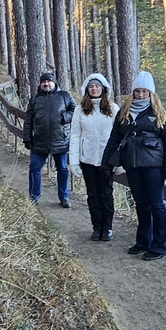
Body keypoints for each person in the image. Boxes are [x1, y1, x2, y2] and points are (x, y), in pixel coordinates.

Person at [101, 70, 166, 260]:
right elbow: (114, 138)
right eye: (138, 91)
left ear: (150, 93)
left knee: (156, 205)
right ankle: (143, 241)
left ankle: (159, 246)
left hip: (153, 166)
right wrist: (106, 162)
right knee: (141, 204)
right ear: (133, 92)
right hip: (132, 164)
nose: (141, 95)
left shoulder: (160, 112)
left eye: (144, 92)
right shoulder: (124, 112)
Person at [69, 72, 118, 240]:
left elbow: (119, 136)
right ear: (87, 90)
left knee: (106, 193)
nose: (94, 88)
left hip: (107, 159)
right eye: (91, 86)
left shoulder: (113, 108)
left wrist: (119, 162)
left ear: (103, 88)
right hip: (87, 159)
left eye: (97, 86)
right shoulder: (80, 110)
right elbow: (75, 135)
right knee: (92, 194)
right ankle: (97, 227)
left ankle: (108, 227)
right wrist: (74, 162)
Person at [23, 68, 75, 206]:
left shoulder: (64, 96)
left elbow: (74, 110)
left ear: (54, 83)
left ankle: (64, 197)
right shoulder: (35, 99)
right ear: (40, 84)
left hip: (60, 141)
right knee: (34, 169)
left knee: (63, 169)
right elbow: (28, 120)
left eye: (49, 81)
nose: (46, 84)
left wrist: (65, 117)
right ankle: (34, 197)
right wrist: (27, 138)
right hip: (39, 141)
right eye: (43, 82)